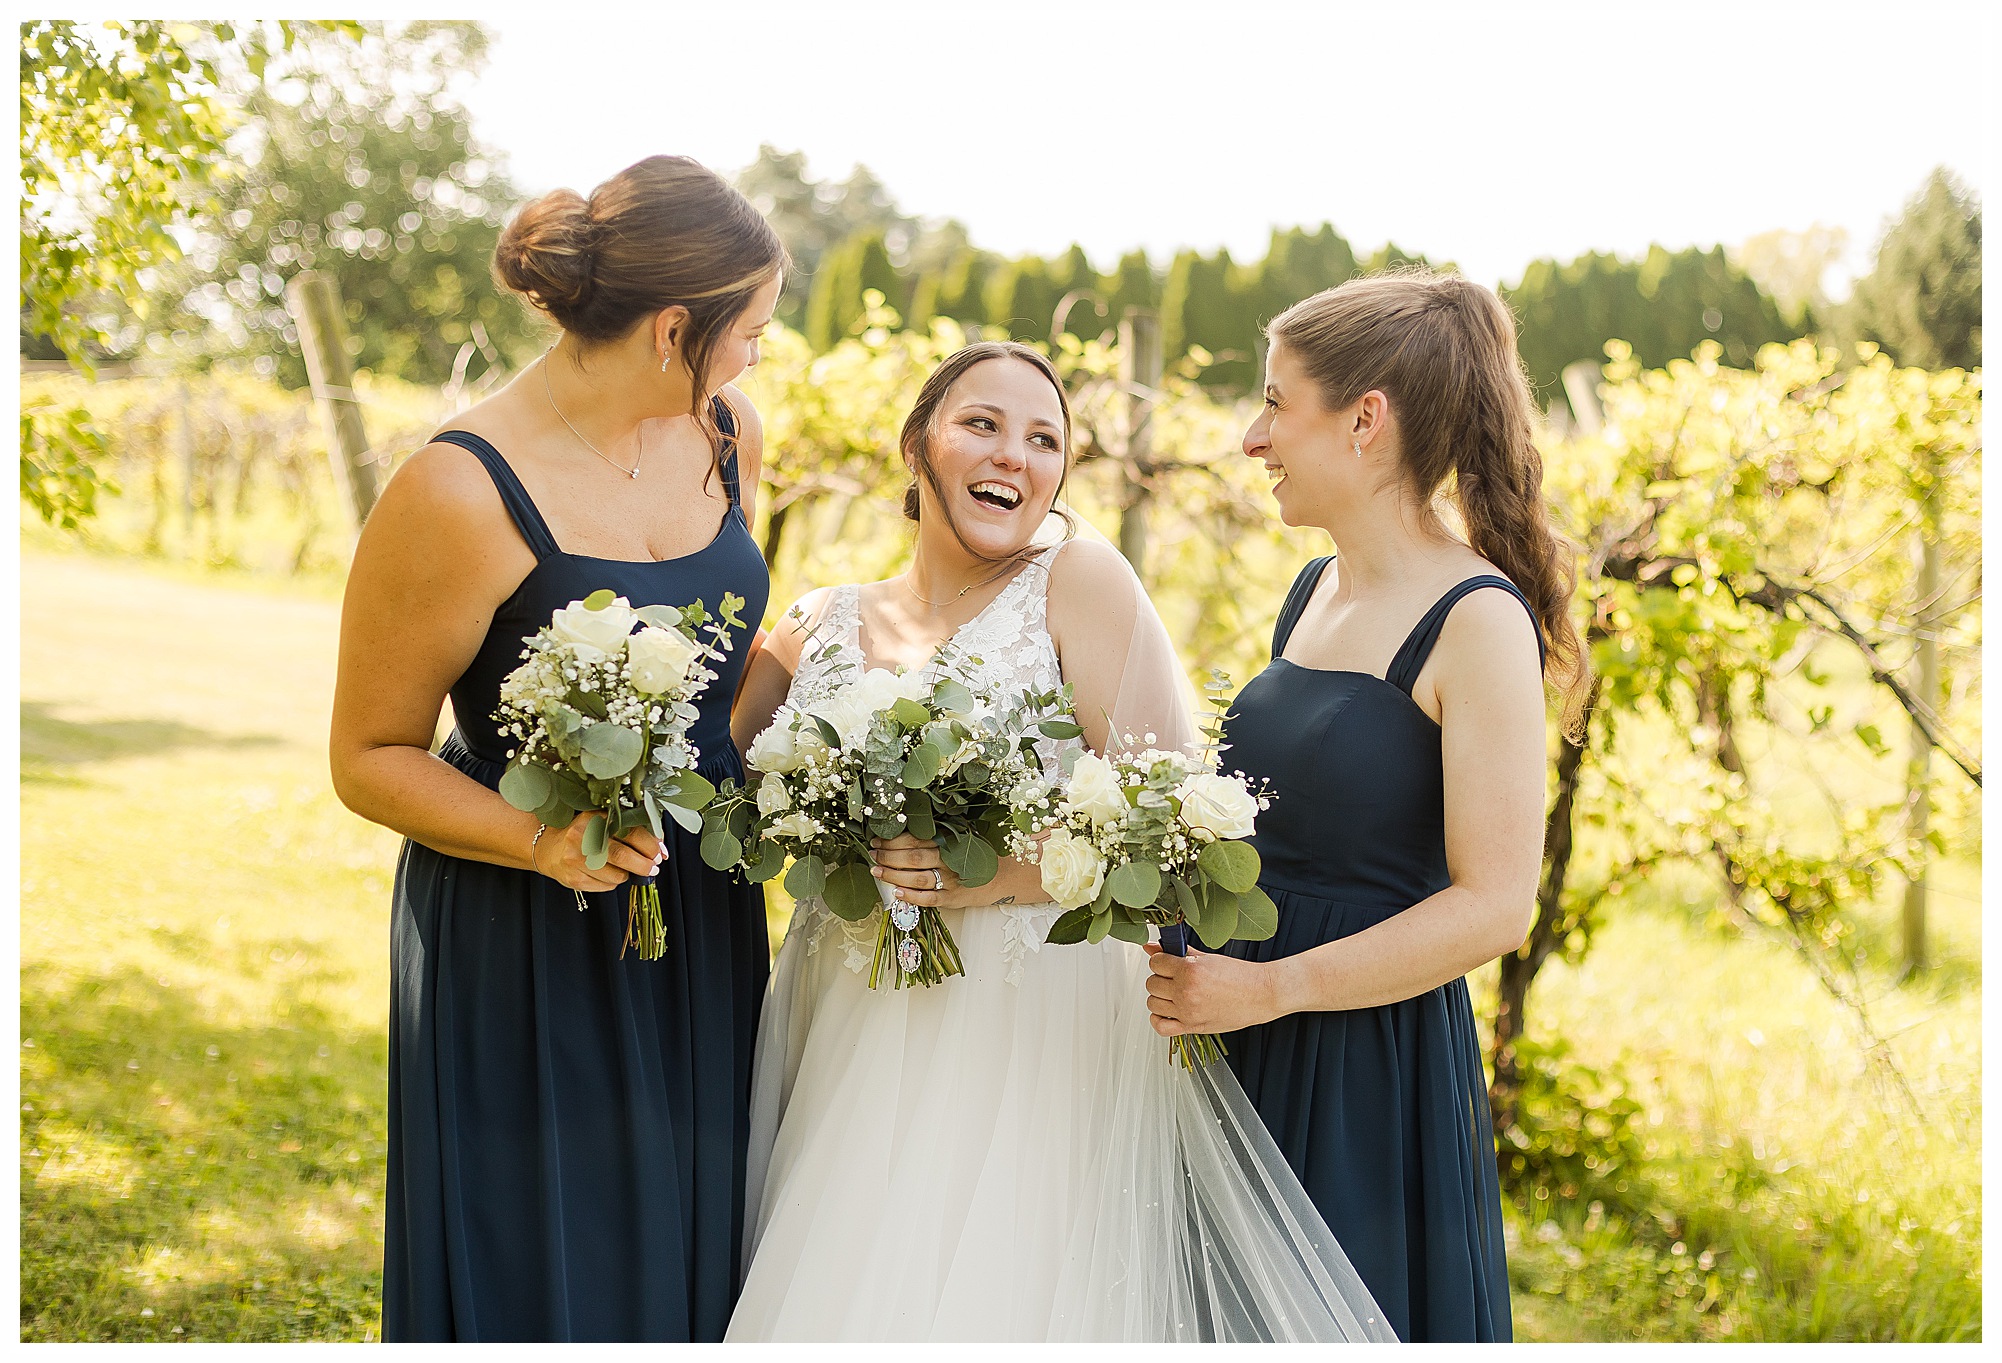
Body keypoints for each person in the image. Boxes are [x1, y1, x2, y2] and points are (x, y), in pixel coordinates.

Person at [722, 342, 1393, 1342]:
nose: (1015, 455)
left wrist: (992, 875)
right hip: (846, 1010)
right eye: (981, 424)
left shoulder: (1077, 581)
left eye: (1045, 440)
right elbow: (721, 796)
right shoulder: (818, 620)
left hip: (1026, 1022)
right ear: (916, 444)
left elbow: (1172, 839)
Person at [329, 155, 784, 1341]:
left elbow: (721, 669)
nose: (755, 358)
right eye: (749, 332)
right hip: (528, 926)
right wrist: (543, 841)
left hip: (701, 907)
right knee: (553, 1258)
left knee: (704, 1231)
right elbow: (368, 754)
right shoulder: (456, 490)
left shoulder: (725, 434)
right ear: (674, 328)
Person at [1143, 271, 1587, 1342]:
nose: (1252, 437)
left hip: (1358, 1070)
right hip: (1236, 1033)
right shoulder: (1313, 589)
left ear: (1364, 420)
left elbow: (1494, 906)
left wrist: (1274, 989)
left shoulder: (1475, 618)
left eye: (1274, 402)